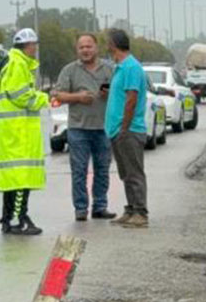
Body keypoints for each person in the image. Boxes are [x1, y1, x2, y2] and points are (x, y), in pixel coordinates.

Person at [0, 28, 50, 236]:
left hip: (14, 132)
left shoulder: (13, 62)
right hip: (18, 132)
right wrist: (45, 99)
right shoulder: (17, 64)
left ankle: (13, 218)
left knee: (14, 178)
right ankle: (16, 220)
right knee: (19, 178)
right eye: (34, 45)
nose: (36, 49)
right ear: (28, 45)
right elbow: (21, 96)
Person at [52, 33, 117, 222]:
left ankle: (100, 206)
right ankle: (81, 209)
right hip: (78, 129)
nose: (85, 50)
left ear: (96, 48)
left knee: (102, 169)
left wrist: (109, 93)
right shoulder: (69, 70)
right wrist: (78, 97)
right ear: (77, 50)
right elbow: (58, 95)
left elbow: (120, 91)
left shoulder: (109, 69)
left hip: (103, 127)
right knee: (79, 170)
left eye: (89, 46)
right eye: (81, 47)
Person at [105, 29, 150, 228]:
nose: (107, 46)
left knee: (134, 172)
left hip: (129, 130)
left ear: (114, 44)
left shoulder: (131, 67)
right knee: (126, 173)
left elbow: (131, 98)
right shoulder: (120, 68)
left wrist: (124, 126)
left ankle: (141, 211)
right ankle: (131, 208)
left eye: (108, 43)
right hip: (118, 130)